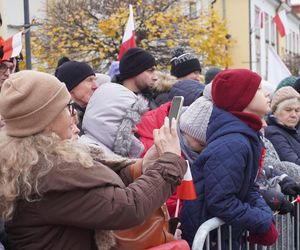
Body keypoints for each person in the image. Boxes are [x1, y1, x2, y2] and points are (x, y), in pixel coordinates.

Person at [0, 70, 187, 250]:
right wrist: (169, 162)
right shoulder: (49, 174)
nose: (73, 117)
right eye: (67, 107)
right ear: (46, 120)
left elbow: (96, 188)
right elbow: (126, 208)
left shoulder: (33, 161)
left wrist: (142, 166)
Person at [180, 69, 277, 249]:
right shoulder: (233, 143)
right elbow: (221, 201)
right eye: (257, 89)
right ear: (242, 99)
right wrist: (261, 223)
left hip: (223, 237)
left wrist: (264, 218)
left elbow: (248, 187)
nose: (266, 93)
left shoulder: (244, 136)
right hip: (212, 241)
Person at [55, 60, 97, 134]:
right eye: (89, 80)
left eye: (95, 80)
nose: (95, 86)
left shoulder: (98, 112)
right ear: (72, 86)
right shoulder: (60, 121)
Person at [265, 86, 300, 165]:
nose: (294, 115)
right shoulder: (273, 133)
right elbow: (293, 164)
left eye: (297, 110)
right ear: (276, 111)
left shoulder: (295, 129)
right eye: (288, 110)